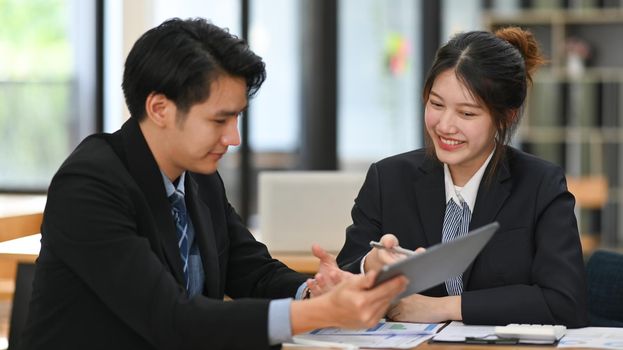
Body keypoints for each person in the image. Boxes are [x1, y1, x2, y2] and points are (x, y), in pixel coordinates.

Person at [20, 18, 407, 350]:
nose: (233, 137)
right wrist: (320, 313)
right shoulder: (90, 184)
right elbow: (170, 319)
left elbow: (251, 271)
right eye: (219, 120)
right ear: (160, 109)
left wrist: (314, 291)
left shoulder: (198, 177)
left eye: (237, 117)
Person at [336, 27, 588, 327]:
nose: (445, 126)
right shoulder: (387, 179)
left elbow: (564, 303)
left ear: (506, 115)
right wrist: (369, 265)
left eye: (467, 114)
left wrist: (443, 307)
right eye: (436, 104)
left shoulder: (540, 185)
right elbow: (340, 283)